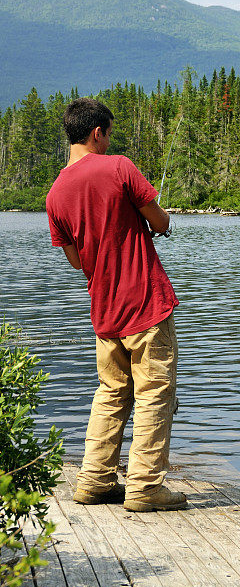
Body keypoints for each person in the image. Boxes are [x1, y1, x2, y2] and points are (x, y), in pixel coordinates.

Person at [46, 98, 187, 512]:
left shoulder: (55, 194)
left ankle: (94, 481)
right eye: (107, 134)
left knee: (111, 393)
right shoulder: (119, 167)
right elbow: (159, 221)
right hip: (145, 303)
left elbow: (77, 261)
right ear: (97, 133)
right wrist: (156, 224)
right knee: (154, 393)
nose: (108, 141)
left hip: (105, 311)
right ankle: (145, 487)